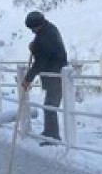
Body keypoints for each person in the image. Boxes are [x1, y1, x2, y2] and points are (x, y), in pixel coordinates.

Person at [21, 11, 68, 144]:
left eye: (32, 28)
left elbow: (40, 62)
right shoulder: (48, 29)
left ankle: (53, 136)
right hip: (53, 73)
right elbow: (41, 48)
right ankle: (49, 132)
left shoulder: (45, 37)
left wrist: (27, 79)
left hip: (56, 74)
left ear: (38, 25)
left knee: (50, 106)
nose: (32, 31)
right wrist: (34, 47)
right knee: (48, 105)